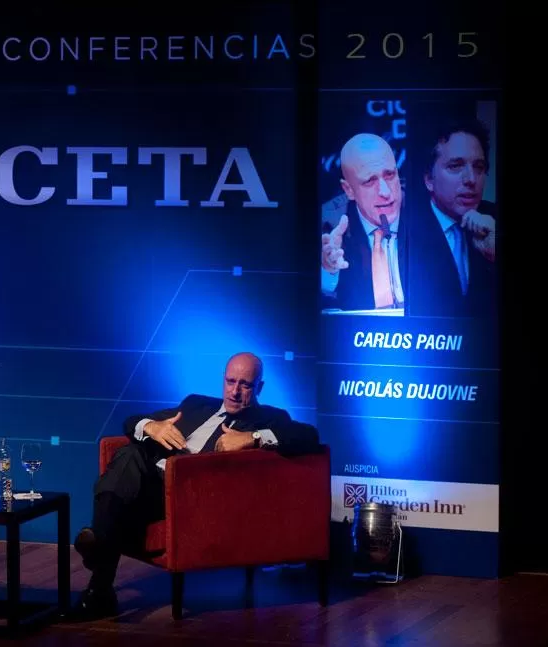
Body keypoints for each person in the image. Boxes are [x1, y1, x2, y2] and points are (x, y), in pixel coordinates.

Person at [70, 352, 320, 620]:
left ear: (259, 387)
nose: (235, 392)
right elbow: (131, 422)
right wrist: (151, 426)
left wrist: (253, 437)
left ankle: (99, 550)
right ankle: (100, 582)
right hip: (148, 485)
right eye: (230, 381)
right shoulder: (196, 404)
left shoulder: (270, 418)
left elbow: (309, 436)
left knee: (120, 496)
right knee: (130, 456)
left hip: (190, 501)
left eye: (245, 385)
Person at [406, 118, 497, 318]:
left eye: (479, 167)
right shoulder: (405, 229)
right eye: (456, 166)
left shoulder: (493, 220)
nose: (471, 179)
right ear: (429, 179)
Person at [321, 133, 407, 313]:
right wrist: (328, 269)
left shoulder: (426, 211)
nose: (385, 192)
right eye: (369, 181)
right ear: (348, 190)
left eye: (390, 175)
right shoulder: (328, 224)